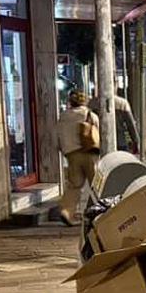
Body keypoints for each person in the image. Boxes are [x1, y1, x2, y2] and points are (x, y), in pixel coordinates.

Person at [54, 89, 100, 226]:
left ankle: (67, 212)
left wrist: (63, 149)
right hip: (89, 153)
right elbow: (97, 132)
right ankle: (103, 211)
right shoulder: (89, 115)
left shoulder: (63, 117)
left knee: (74, 185)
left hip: (72, 154)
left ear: (70, 101)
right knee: (96, 183)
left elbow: (58, 136)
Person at [90, 88, 139, 154]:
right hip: (120, 142)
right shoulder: (123, 103)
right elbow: (130, 125)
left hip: (98, 141)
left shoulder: (92, 103)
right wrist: (135, 141)